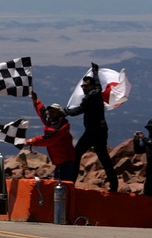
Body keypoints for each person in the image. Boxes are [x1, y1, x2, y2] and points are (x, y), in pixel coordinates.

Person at [65, 62, 119, 192]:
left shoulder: (90, 97)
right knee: (103, 157)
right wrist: (95, 72)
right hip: (97, 130)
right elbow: (98, 83)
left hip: (94, 132)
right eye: (82, 86)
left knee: (77, 154)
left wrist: (65, 111)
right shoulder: (97, 91)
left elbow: (77, 111)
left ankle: (71, 182)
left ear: (90, 87)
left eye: (85, 86)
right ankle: (114, 184)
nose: (83, 88)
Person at [18, 91, 75, 181]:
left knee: (63, 185)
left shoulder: (60, 126)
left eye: (53, 112)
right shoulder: (53, 121)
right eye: (50, 111)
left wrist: (29, 142)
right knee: (60, 183)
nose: (50, 113)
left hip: (65, 160)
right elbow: (42, 112)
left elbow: (48, 139)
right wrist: (36, 100)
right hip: (60, 160)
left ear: (59, 113)